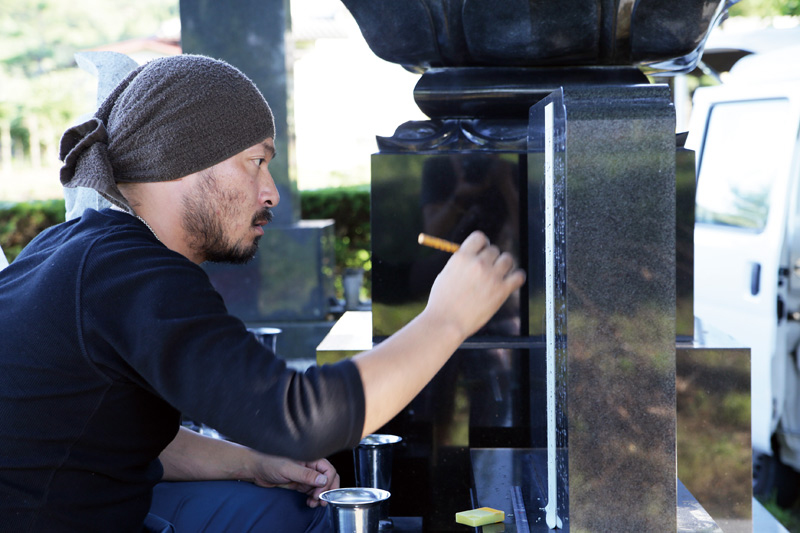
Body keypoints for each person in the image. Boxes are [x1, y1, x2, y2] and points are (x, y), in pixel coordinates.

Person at [0, 54, 525, 532]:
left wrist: (252, 461)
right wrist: (448, 318)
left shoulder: (74, 247)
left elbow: (110, 443)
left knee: (284, 509)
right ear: (185, 157)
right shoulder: (130, 273)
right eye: (256, 161)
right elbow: (302, 418)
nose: (271, 191)